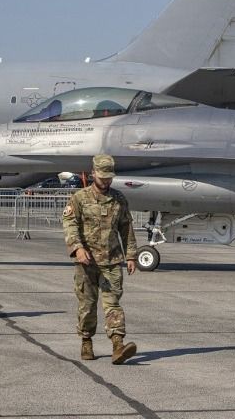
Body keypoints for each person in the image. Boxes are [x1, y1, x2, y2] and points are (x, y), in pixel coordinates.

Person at [63, 154, 138, 364]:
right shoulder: (79, 198)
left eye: (109, 177)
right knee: (87, 306)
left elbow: (126, 228)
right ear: (93, 172)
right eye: (102, 176)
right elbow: (70, 225)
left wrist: (131, 255)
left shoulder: (119, 199)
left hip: (112, 261)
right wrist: (77, 248)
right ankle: (86, 341)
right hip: (86, 263)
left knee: (112, 304)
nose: (106, 181)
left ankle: (118, 345)